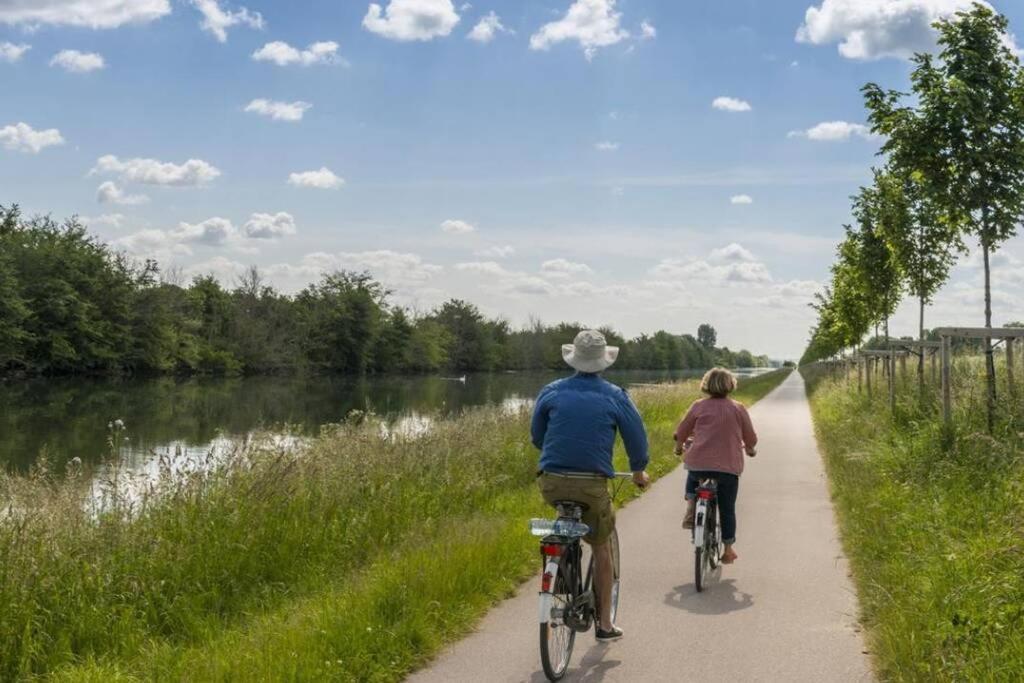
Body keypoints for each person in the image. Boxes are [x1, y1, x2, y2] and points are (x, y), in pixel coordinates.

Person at [531, 329, 650, 642]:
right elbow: (636, 438)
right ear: (603, 362)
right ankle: (605, 625)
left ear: (574, 359)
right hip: (591, 485)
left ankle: (561, 570)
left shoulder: (551, 390)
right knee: (601, 546)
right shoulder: (615, 395)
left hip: (551, 482)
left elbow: (537, 436)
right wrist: (639, 471)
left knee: (564, 518)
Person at [674, 367, 758, 565]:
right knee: (727, 508)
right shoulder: (738, 408)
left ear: (706, 384)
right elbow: (750, 437)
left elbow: (682, 431)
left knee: (693, 471)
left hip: (699, 465)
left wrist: (679, 447)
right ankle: (728, 550)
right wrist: (750, 449)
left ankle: (692, 503)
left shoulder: (698, 406)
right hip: (728, 468)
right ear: (730, 385)